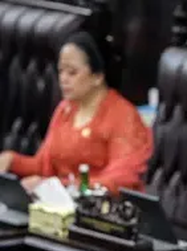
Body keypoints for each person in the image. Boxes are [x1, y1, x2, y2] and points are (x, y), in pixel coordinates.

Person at [0, 32, 153, 195]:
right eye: (61, 71)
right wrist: (11, 160)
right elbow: (44, 165)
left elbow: (121, 181)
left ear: (97, 77)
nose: (63, 79)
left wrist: (57, 185)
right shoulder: (65, 109)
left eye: (72, 73)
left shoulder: (123, 117)